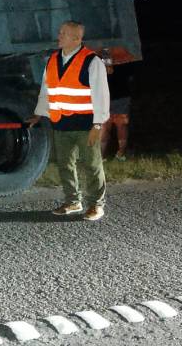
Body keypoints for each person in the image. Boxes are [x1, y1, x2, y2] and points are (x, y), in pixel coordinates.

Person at [26, 21, 109, 221]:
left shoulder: (91, 61)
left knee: (91, 164)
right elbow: (47, 91)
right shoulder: (53, 60)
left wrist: (98, 124)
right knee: (65, 164)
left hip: (85, 125)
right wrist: (39, 113)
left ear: (77, 39)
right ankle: (73, 201)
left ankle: (96, 205)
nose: (59, 36)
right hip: (61, 123)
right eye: (60, 32)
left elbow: (101, 95)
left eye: (64, 33)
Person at [100, 56, 135, 161]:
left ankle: (121, 154)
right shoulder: (95, 53)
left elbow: (131, 74)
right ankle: (101, 156)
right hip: (103, 95)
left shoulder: (122, 52)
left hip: (121, 94)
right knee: (104, 125)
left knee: (121, 124)